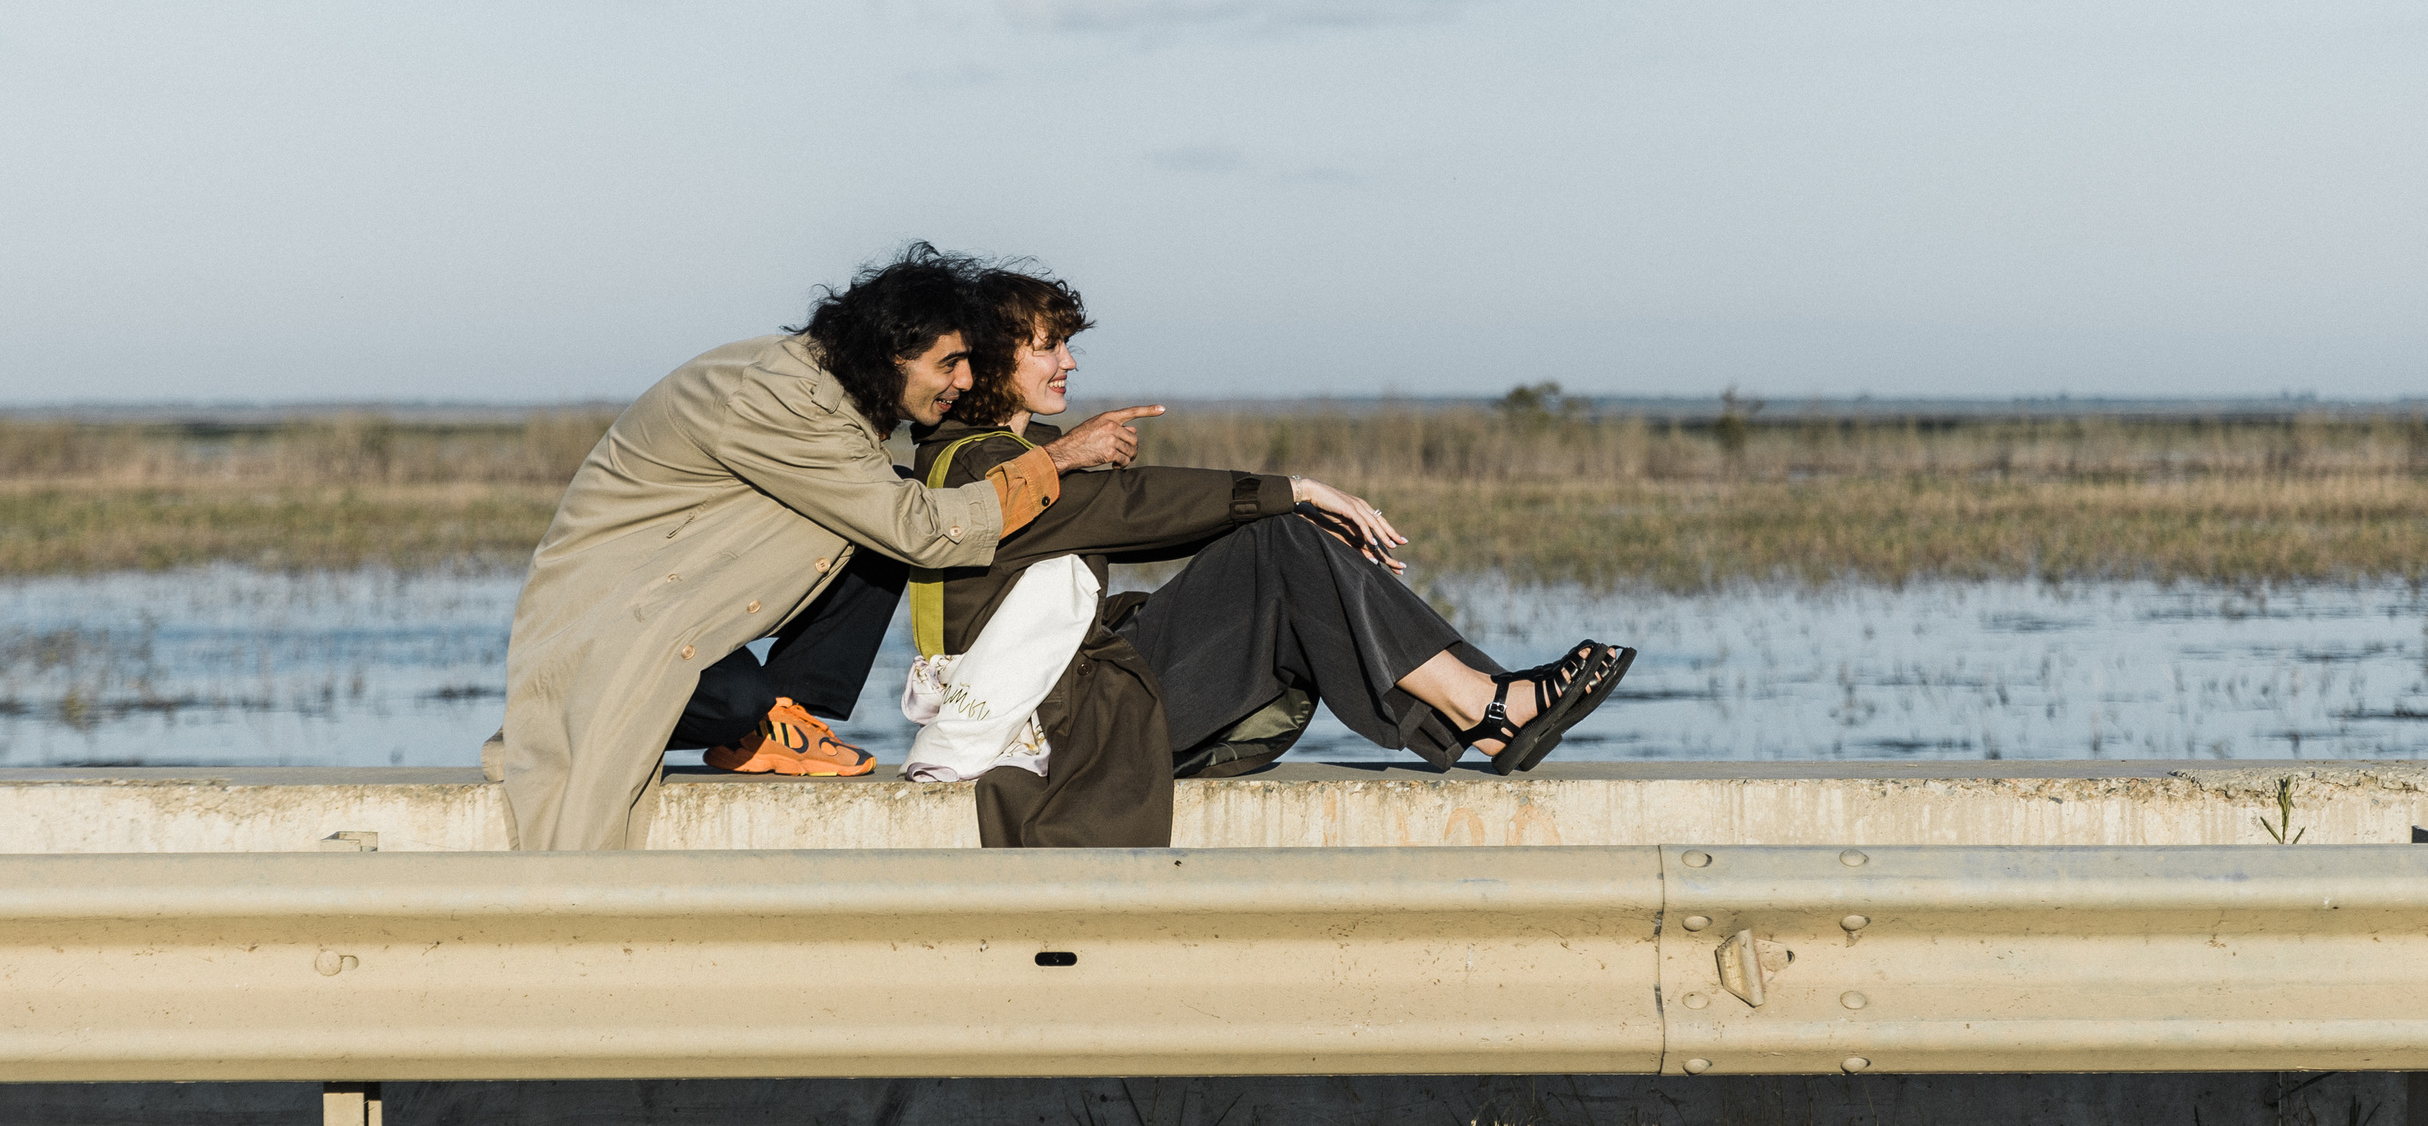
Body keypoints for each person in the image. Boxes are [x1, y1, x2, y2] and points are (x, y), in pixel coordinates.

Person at [906, 266, 1633, 848]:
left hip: (1087, 699)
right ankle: (1486, 708)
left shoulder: (1013, 454)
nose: (1068, 361)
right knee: (1279, 539)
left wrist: (1298, 527)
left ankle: (1484, 706)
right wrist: (1296, 491)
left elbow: (1131, 518)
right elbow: (1129, 507)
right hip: (1073, 727)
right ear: (992, 360)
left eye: (1066, 343)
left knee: (1281, 542)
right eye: (1047, 346)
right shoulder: (977, 467)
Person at [494, 244, 1155, 851]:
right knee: (741, 697)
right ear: (892, 356)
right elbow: (918, 529)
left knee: (888, 499)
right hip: (609, 629)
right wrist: (1057, 458)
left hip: (666, 606)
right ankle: (763, 719)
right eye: (948, 364)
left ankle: (786, 713)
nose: (962, 379)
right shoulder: (785, 399)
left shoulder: (829, 392)